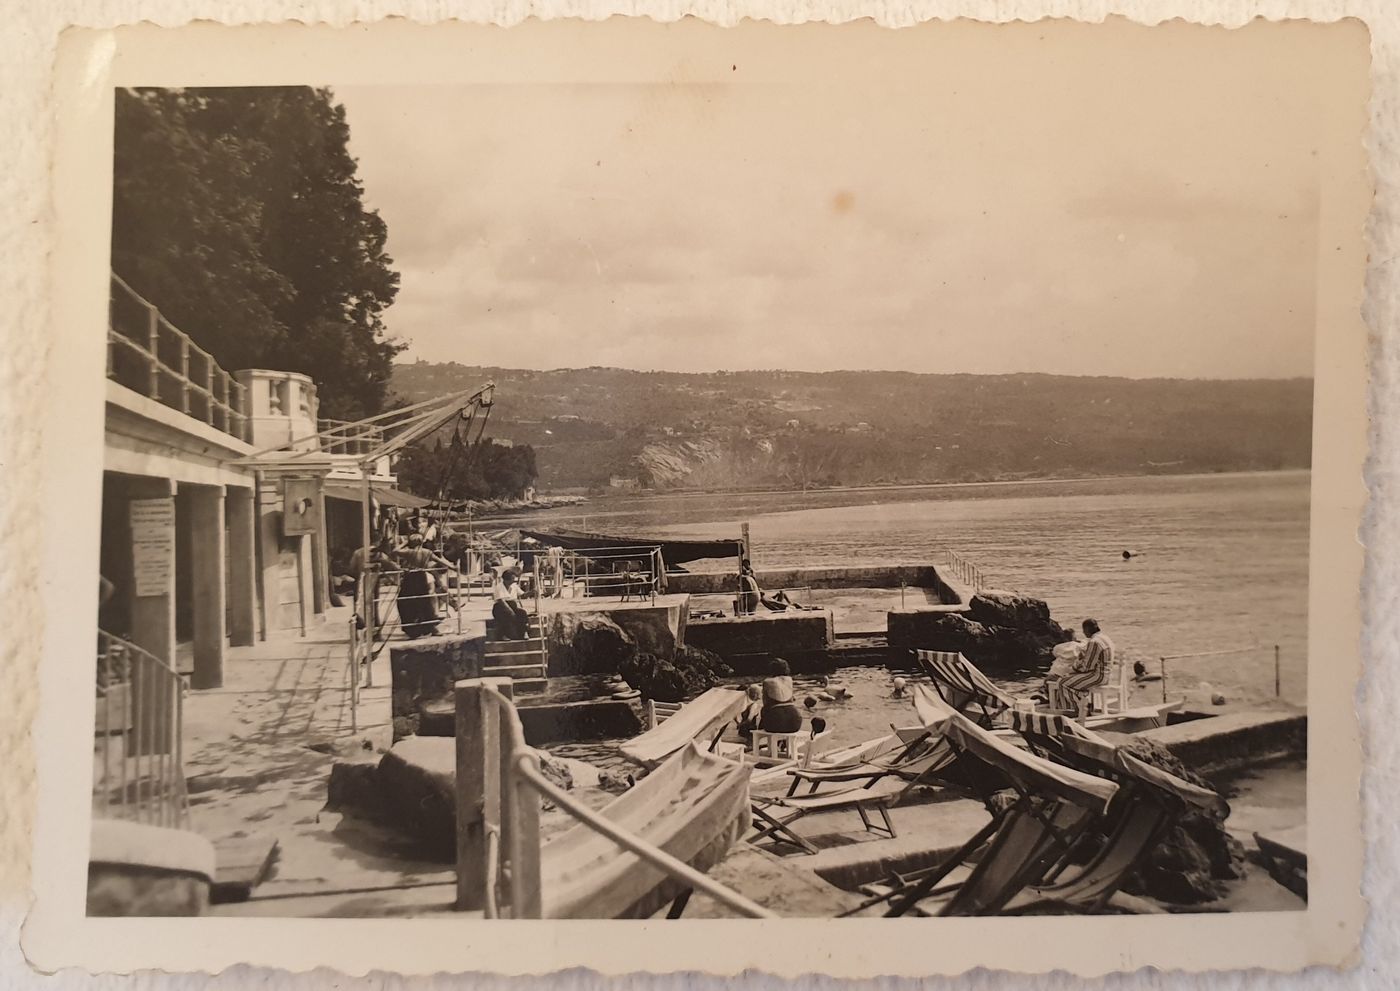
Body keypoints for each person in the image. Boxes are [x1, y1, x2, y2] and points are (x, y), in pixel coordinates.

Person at [393, 533, 447, 638]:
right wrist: (453, 567)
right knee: (424, 602)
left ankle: (412, 629)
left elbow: (395, 551)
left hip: (410, 578)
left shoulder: (409, 552)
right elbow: (442, 561)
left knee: (404, 601)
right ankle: (431, 627)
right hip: (422, 577)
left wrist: (404, 543)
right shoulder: (427, 552)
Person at [1057, 618, 1115, 715]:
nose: (1084, 633)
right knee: (1069, 680)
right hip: (1107, 674)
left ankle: (1079, 710)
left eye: (1084, 630)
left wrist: (1074, 668)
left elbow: (1087, 667)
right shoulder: (1105, 638)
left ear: (1087, 629)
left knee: (1062, 682)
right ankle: (1083, 701)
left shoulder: (1094, 642)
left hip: (1098, 676)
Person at [759, 658, 803, 733]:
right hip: (795, 722)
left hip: (777, 722)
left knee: (763, 710)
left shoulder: (767, 681)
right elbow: (791, 699)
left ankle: (757, 737)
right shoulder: (789, 679)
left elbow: (765, 703)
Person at [492, 569, 532, 640]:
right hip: (500, 607)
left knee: (522, 613)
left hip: (512, 606)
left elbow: (523, 595)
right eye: (512, 579)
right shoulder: (499, 587)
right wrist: (510, 611)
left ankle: (524, 633)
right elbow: (501, 601)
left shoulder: (514, 586)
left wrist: (532, 592)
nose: (514, 580)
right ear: (506, 580)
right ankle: (503, 635)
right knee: (506, 615)